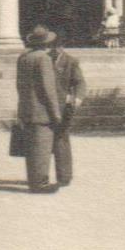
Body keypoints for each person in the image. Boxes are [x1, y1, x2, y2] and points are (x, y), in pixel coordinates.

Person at [15, 26, 65, 194]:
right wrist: (56, 113)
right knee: (42, 149)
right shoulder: (43, 59)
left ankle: (33, 181)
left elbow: (19, 85)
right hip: (42, 111)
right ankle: (40, 184)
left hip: (26, 109)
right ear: (47, 44)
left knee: (31, 149)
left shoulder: (23, 58)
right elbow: (48, 89)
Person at [48, 30, 87, 189]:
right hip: (46, 106)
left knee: (61, 140)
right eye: (52, 46)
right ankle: (40, 175)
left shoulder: (71, 61)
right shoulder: (43, 60)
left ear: (62, 46)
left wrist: (77, 98)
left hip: (63, 106)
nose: (55, 49)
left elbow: (80, 82)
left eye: (58, 46)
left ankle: (64, 177)